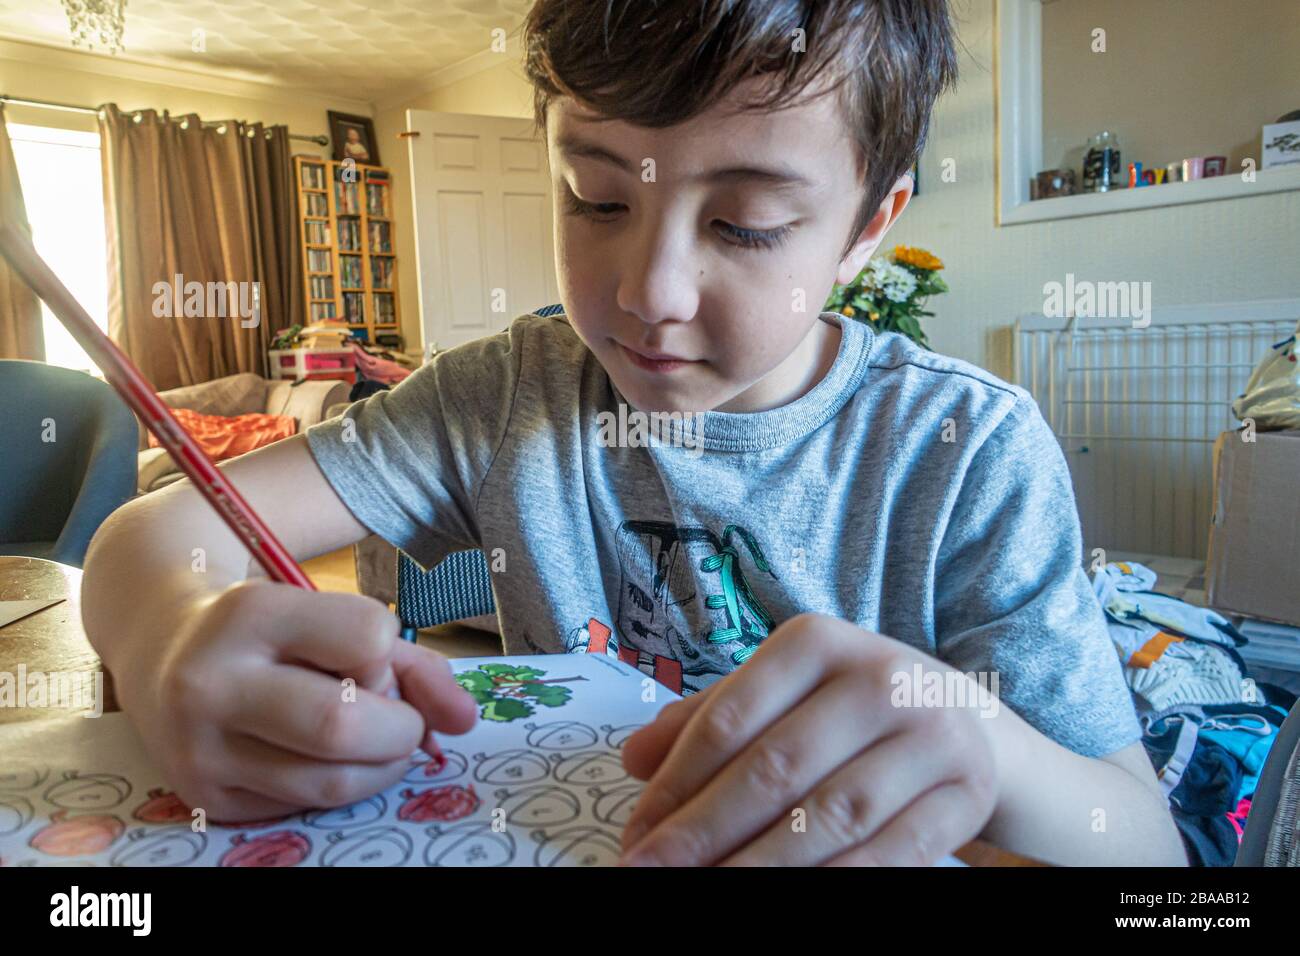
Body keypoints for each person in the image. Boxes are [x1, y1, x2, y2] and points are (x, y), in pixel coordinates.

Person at [81, 0, 1187, 866]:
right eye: (595, 199)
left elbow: (1141, 839)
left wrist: (980, 740)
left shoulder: (967, 446)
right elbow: (153, 533)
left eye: (745, 225)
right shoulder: (506, 393)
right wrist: (169, 640)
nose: (648, 292)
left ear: (866, 228)